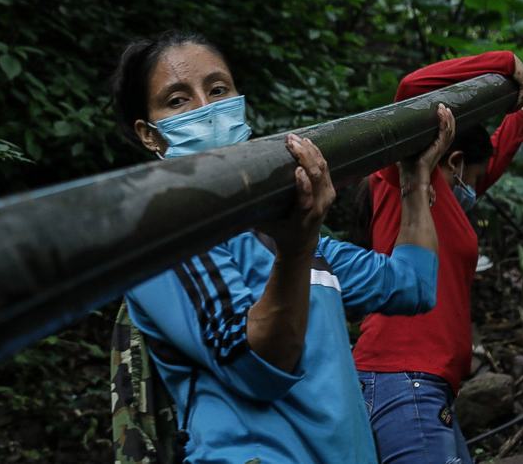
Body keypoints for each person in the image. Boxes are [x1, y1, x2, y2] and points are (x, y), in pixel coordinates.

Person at [112, 29, 455, 462]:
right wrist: (296, 249)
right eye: (178, 100)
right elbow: (259, 370)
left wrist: (415, 181)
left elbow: (414, 285)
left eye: (218, 90)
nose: (207, 109)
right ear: (149, 134)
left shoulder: (288, 232)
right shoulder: (165, 238)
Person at [352, 51, 523, 463]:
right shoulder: (405, 181)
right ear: (456, 161)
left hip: (420, 382)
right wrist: (504, 62)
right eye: (473, 178)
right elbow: (412, 90)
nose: (475, 189)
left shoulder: (440, 199)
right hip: (403, 378)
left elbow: (493, 158)